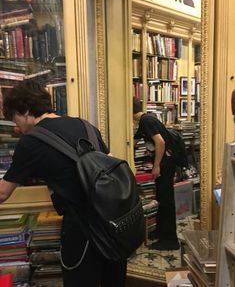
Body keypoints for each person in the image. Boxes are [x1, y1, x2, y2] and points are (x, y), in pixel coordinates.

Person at [0, 79, 127, 287]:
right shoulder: (86, 125)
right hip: (113, 224)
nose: (17, 127)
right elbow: (111, 163)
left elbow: (3, 193)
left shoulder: (31, 142)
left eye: (15, 119)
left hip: (81, 229)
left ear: (25, 110)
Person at [133, 96, 180, 251]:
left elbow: (160, 142)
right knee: (161, 197)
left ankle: (170, 240)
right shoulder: (144, 121)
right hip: (165, 162)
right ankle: (161, 231)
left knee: (166, 200)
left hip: (166, 163)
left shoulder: (146, 121)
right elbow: (134, 142)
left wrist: (156, 166)